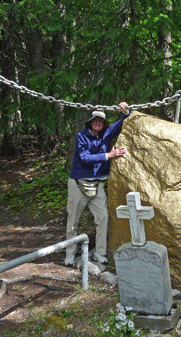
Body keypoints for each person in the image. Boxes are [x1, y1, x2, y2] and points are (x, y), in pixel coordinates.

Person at [65, 102, 130, 266]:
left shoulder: (107, 133)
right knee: (73, 220)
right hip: (78, 183)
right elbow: (85, 158)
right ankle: (70, 253)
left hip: (98, 184)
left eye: (101, 120)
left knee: (103, 218)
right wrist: (109, 155)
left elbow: (124, 121)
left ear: (104, 123)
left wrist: (125, 110)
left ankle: (100, 253)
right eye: (96, 120)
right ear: (90, 122)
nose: (98, 123)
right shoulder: (82, 136)